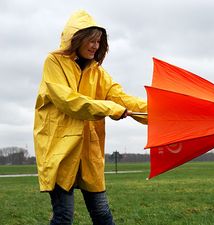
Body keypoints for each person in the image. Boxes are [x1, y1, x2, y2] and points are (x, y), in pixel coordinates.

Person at [33, 10, 147, 225]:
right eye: (91, 40)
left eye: (99, 41)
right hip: (60, 150)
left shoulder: (99, 73)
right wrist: (110, 108)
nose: (95, 46)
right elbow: (69, 101)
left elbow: (122, 99)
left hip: (89, 150)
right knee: (64, 216)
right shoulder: (54, 62)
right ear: (75, 38)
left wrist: (159, 111)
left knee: (103, 214)